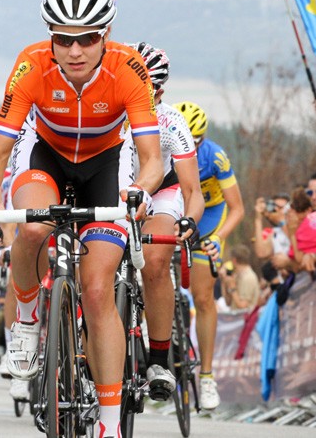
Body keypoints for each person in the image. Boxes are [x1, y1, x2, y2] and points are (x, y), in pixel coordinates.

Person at [0, 0, 162, 438]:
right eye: (63, 38)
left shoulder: (129, 68)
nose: (74, 51)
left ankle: (110, 426)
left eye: (88, 38)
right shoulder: (32, 63)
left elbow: (152, 158)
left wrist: (140, 190)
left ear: (106, 35)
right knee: (33, 229)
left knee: (97, 290)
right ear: (50, 36)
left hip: (106, 165)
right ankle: (30, 316)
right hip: (46, 157)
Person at [123, 42, 203, 399]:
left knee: (155, 261)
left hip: (161, 194)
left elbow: (192, 189)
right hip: (115, 192)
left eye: (148, 89)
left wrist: (189, 220)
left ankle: (158, 359)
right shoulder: (103, 110)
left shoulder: (170, 120)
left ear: (160, 91)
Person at [173, 100, 244, 411]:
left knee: (202, 297)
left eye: (195, 140)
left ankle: (206, 375)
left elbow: (237, 208)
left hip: (209, 217)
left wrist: (217, 237)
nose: (189, 145)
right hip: (174, 209)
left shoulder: (214, 155)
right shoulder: (163, 145)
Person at [219, 244, 259, 311]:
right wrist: (224, 281)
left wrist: (233, 288)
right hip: (236, 319)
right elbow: (228, 302)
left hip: (245, 320)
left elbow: (243, 306)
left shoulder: (248, 278)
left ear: (234, 260)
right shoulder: (237, 276)